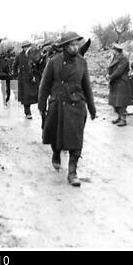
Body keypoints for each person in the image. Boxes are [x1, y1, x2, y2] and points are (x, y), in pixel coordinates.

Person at [38, 31, 96, 187]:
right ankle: (56, 153)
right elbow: (44, 86)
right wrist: (42, 105)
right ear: (64, 46)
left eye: (77, 44)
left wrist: (92, 108)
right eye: (72, 44)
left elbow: (87, 87)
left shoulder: (82, 63)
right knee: (56, 137)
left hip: (77, 106)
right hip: (58, 105)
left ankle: (72, 172)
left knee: (76, 140)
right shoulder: (53, 62)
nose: (75, 47)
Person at [12, 41, 40, 119]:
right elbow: (14, 66)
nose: (27, 48)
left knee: (33, 94)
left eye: (28, 47)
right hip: (23, 79)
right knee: (25, 96)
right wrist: (15, 76)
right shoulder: (19, 56)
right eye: (26, 47)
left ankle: (38, 108)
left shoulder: (33, 55)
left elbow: (36, 65)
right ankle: (27, 112)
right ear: (23, 48)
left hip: (31, 78)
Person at [107, 43, 132, 127]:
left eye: (113, 50)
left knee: (121, 102)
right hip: (115, 82)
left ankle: (123, 119)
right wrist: (108, 75)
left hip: (122, 82)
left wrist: (110, 77)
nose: (112, 51)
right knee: (115, 102)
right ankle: (119, 117)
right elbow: (110, 68)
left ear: (116, 51)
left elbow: (119, 71)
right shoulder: (115, 57)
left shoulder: (124, 59)